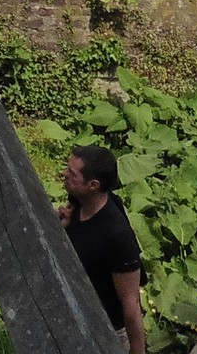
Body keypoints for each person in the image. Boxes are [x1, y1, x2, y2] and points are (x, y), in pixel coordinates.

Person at [60, 145, 146, 354]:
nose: (64, 174)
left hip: (107, 330)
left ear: (93, 185)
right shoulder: (79, 200)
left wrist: (137, 351)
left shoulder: (117, 236)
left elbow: (131, 304)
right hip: (77, 313)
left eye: (72, 173)